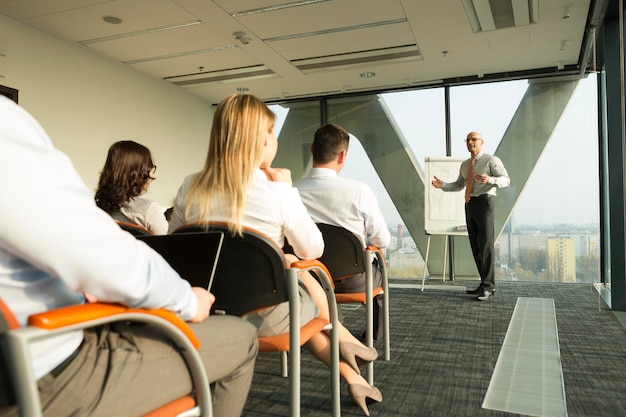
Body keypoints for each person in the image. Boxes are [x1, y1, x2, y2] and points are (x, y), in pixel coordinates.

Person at [0, 96, 257, 417]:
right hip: (47, 370)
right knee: (243, 336)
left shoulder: (101, 209)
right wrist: (187, 300)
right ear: (142, 173)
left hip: (58, 333)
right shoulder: (5, 126)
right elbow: (115, 259)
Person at [168, 93, 382, 416]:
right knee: (299, 272)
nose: (274, 139)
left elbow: (176, 247)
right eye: (270, 132)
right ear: (258, 141)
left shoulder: (189, 187)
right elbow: (315, 250)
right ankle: (344, 341)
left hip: (207, 313)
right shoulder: (275, 194)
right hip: (267, 319)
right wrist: (287, 190)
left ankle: (350, 366)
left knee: (288, 270)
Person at [295, 123, 390, 340]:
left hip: (308, 277)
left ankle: (336, 328)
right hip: (353, 280)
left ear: (312, 149)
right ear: (342, 156)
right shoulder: (359, 191)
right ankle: (374, 334)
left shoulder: (292, 191)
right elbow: (382, 238)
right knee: (380, 263)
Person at [431, 131, 510, 301]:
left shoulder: (491, 160)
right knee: (475, 246)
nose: (470, 142)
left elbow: (506, 179)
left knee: (486, 244)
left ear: (482, 142)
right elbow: (459, 184)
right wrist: (442, 185)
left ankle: (488, 286)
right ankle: (485, 284)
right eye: (468, 140)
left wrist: (490, 179)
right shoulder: (466, 165)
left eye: (474, 139)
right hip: (470, 203)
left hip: (485, 202)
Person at [94, 140, 169, 234]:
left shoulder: (93, 209)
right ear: (139, 172)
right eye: (149, 168)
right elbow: (167, 245)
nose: (152, 176)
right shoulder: (150, 210)